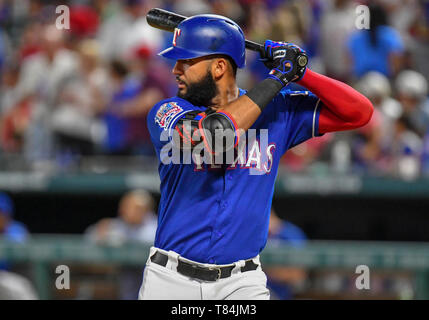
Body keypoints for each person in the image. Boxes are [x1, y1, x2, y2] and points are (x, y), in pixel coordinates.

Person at [140, 13, 373, 300]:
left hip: (241, 283)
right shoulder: (166, 112)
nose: (175, 69)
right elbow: (216, 134)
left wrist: (303, 74)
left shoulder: (279, 112)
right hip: (171, 280)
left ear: (219, 67)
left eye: (186, 61)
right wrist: (279, 77)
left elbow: (359, 113)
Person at [85, 189, 157, 299]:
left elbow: (148, 239)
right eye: (128, 207)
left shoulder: (155, 226)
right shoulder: (119, 225)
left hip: (150, 276)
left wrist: (121, 239)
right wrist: (100, 231)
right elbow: (90, 236)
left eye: (137, 208)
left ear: (147, 210)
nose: (131, 211)